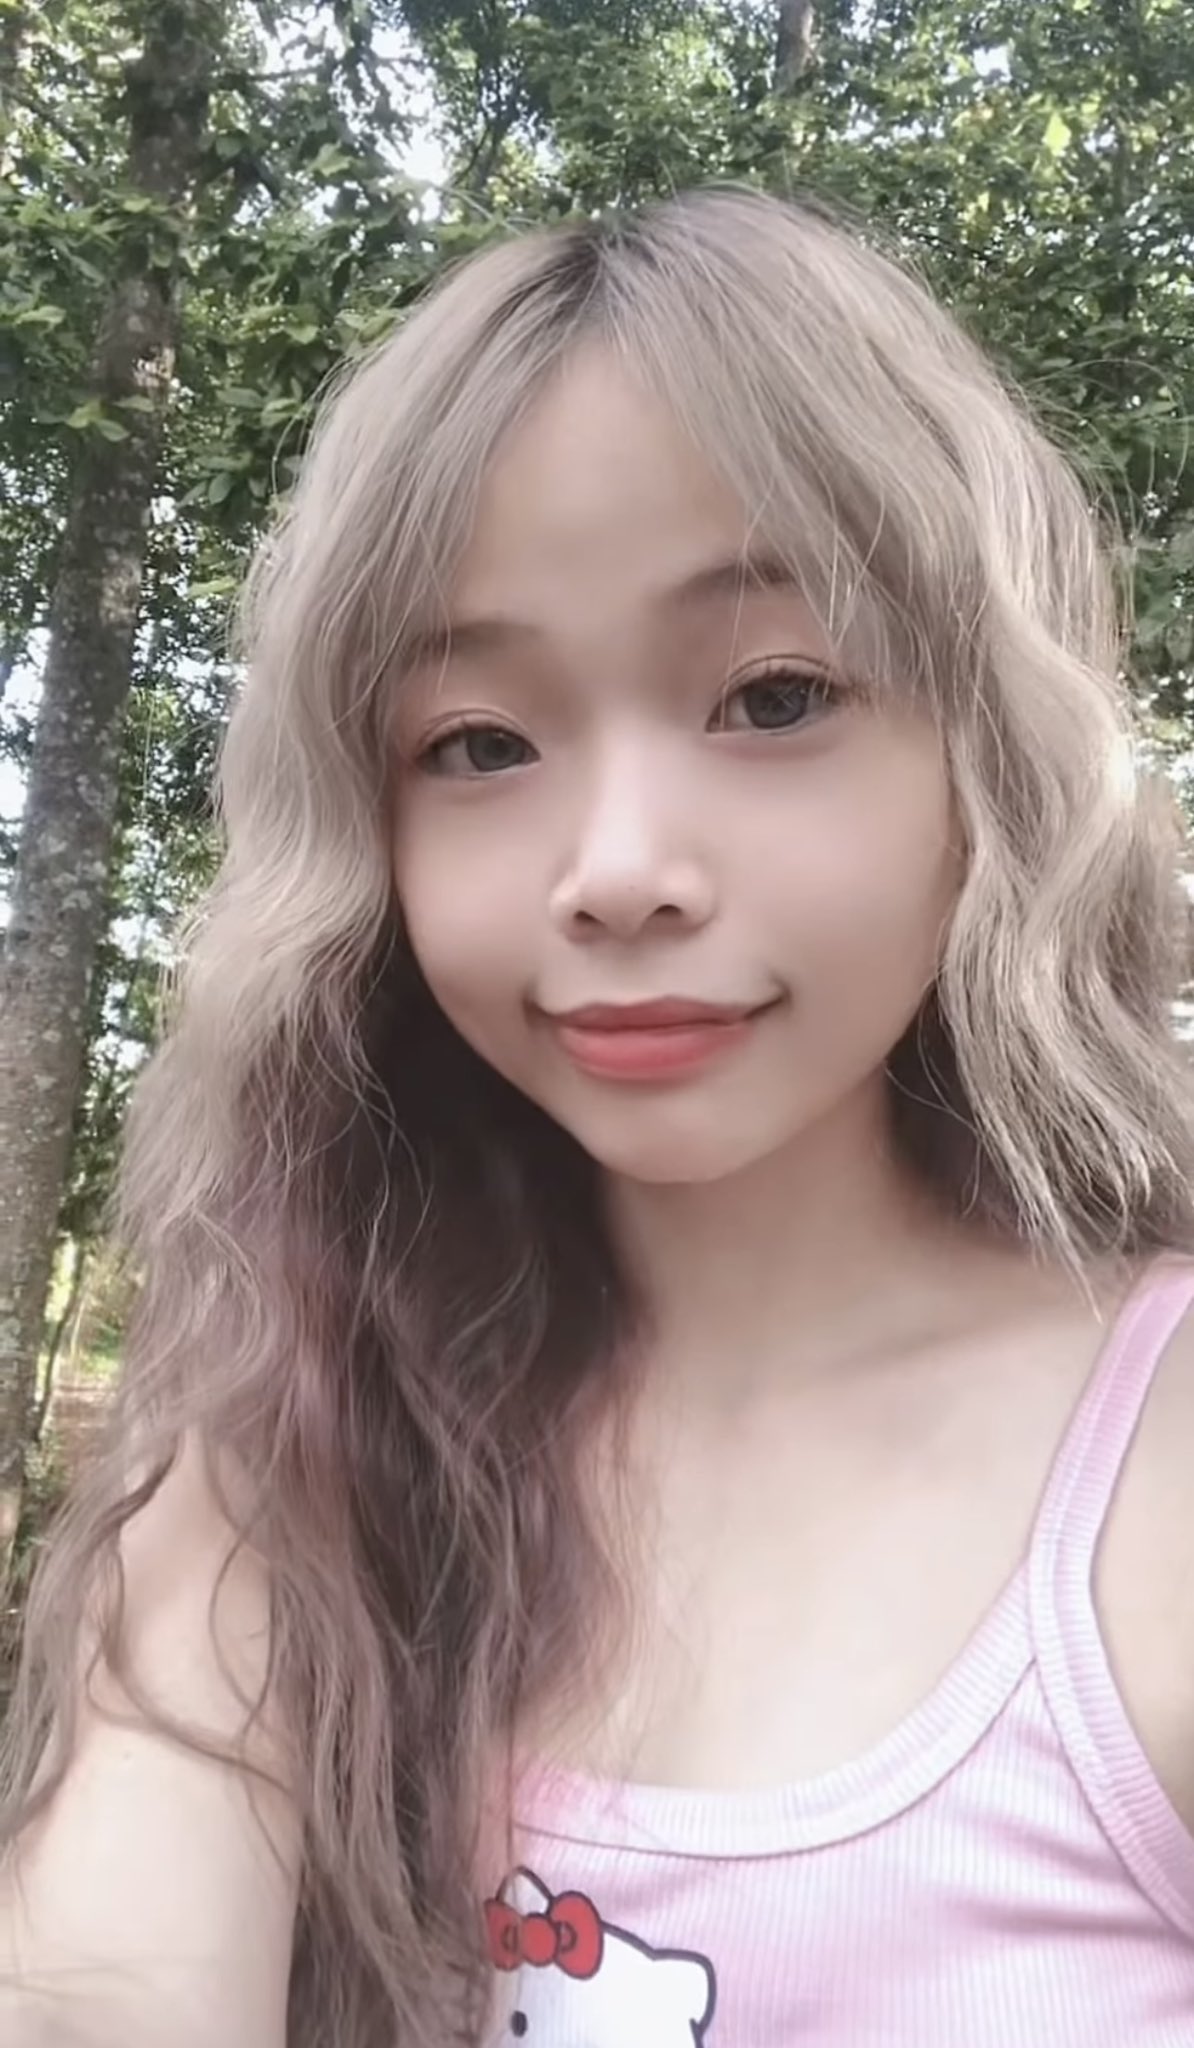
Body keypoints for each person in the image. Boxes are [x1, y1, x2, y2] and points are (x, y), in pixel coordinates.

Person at [3, 186, 1194, 2048]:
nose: (618, 869)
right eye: (478, 743)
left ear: (988, 753)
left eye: (775, 696)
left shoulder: (1155, 1474)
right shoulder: (290, 1448)